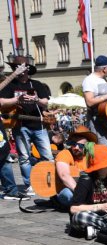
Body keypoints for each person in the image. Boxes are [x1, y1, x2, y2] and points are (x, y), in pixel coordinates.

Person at [0, 55, 53, 195]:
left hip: (38, 125)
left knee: (47, 156)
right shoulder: (11, 85)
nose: (21, 70)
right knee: (24, 157)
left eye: (23, 67)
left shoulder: (36, 84)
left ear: (28, 69)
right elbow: (2, 101)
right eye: (17, 67)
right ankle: (29, 184)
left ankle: (51, 181)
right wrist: (16, 99)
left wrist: (36, 99)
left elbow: (46, 102)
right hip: (20, 124)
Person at [50, 125, 96, 209]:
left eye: (81, 145)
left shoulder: (92, 156)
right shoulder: (65, 153)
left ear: (88, 146)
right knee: (68, 195)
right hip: (68, 189)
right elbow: (64, 175)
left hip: (86, 189)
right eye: (73, 144)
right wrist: (80, 193)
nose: (76, 147)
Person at [81, 55, 107, 148]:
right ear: (104, 69)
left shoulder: (102, 80)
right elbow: (89, 101)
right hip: (97, 122)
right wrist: (106, 96)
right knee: (100, 150)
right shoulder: (89, 80)